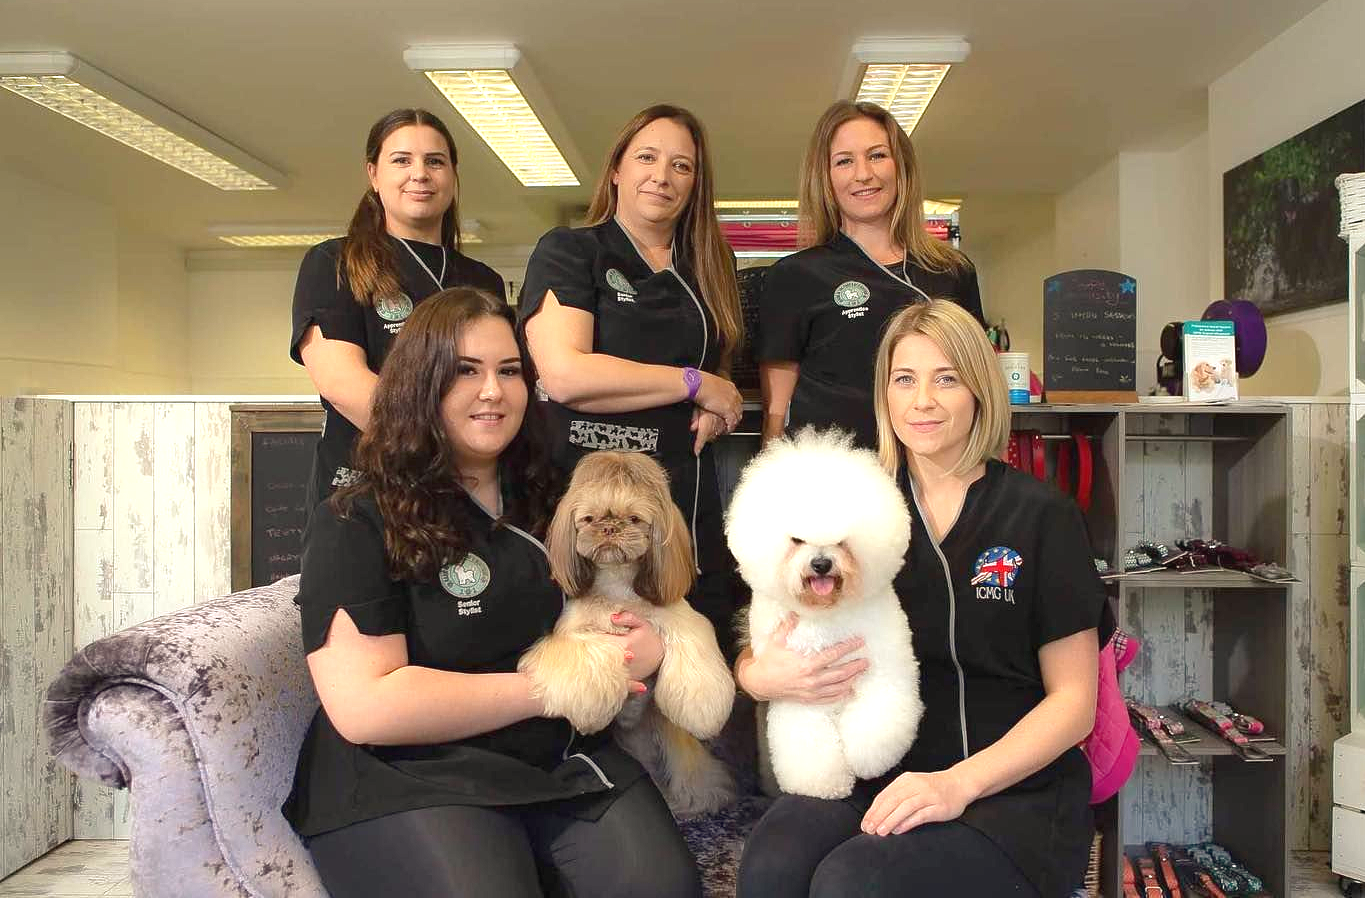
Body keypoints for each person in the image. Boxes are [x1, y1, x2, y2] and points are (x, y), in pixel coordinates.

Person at [282, 288, 701, 898]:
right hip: (414, 772)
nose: (492, 391)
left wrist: (651, 644)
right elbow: (367, 706)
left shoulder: (553, 499)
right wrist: (564, 683)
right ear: (419, 384)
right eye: (465, 371)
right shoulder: (356, 519)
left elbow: (629, 603)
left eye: (509, 371)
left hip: (558, 757)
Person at [736, 299, 1106, 898]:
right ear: (884, 395)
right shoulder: (853, 511)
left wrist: (958, 784)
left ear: (980, 390)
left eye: (946, 378)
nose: (922, 401)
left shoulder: (1042, 517)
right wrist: (757, 676)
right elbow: (766, 635)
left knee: (852, 885)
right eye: (904, 380)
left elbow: (1075, 703)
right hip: (881, 770)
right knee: (772, 865)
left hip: (1009, 790)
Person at [518, 104, 745, 658]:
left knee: (694, 655)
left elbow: (721, 367)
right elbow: (566, 373)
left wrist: (720, 394)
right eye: (646, 157)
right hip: (591, 497)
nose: (661, 176)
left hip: (683, 494)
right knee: (599, 657)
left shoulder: (709, 267)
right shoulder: (572, 251)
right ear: (616, 168)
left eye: (681, 166)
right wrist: (694, 383)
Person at [290, 108, 505, 511]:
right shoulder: (333, 262)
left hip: (463, 490)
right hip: (365, 490)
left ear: (453, 175)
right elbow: (341, 384)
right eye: (402, 160)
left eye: (435, 161)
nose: (419, 174)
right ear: (373, 174)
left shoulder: (483, 280)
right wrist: (447, 450)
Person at [756, 101, 985, 449]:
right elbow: (777, 410)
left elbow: (977, 383)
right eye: (844, 161)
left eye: (877, 155)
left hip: (936, 470)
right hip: (838, 476)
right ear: (826, 178)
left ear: (901, 167)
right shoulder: (794, 276)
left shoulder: (953, 271)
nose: (863, 173)